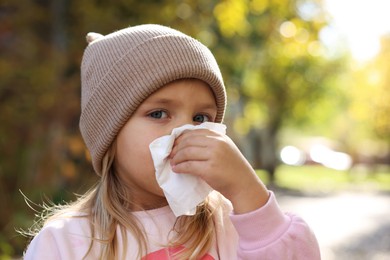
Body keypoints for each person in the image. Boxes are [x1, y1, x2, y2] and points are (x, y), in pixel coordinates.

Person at [24, 24, 320, 259]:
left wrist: (248, 193)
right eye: (158, 113)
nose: (185, 132)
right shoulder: (65, 242)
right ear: (109, 134)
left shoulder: (232, 223)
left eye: (201, 118)